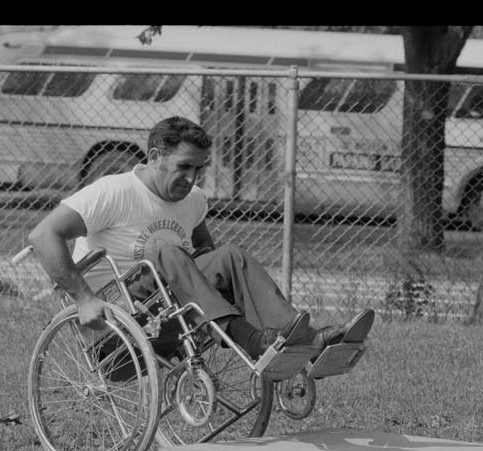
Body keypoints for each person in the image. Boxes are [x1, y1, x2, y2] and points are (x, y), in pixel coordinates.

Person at [27, 116, 371, 361]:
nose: (192, 178)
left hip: (171, 310)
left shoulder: (194, 201)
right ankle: (251, 340)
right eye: (184, 167)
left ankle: (307, 343)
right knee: (168, 253)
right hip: (117, 321)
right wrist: (84, 299)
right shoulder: (113, 192)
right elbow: (43, 235)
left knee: (230, 255)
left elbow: (207, 256)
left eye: (199, 169)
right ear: (155, 157)